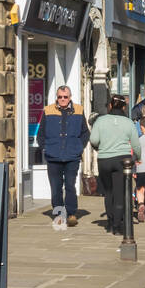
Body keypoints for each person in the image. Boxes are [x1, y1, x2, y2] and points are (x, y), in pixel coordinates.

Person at [88, 95, 141, 234]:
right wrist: (138, 157)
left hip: (104, 159)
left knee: (109, 193)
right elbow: (136, 144)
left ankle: (110, 222)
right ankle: (117, 226)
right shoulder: (128, 122)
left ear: (110, 105)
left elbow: (93, 140)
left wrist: (102, 147)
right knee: (119, 193)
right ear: (124, 107)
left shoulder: (100, 121)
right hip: (122, 161)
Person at [38, 85, 89, 228]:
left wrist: (79, 147)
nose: (62, 99)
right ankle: (59, 214)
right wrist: (45, 148)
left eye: (65, 97)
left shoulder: (78, 110)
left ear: (70, 97)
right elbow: (41, 134)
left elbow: (85, 133)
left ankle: (72, 213)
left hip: (72, 156)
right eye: (60, 97)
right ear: (57, 97)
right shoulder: (48, 110)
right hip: (53, 156)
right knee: (56, 187)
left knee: (70, 186)